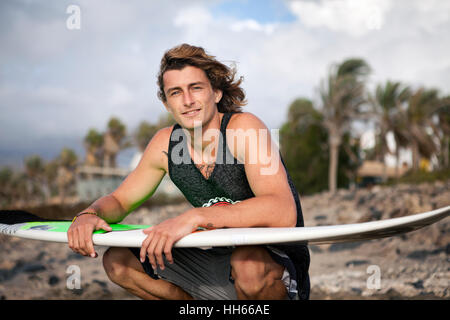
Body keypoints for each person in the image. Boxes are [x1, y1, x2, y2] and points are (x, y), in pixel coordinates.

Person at [67, 44, 310, 300]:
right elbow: (119, 200)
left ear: (215, 92)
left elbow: (283, 211)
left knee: (247, 264)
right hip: (218, 261)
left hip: (274, 265)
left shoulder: (246, 129)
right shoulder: (164, 144)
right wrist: (88, 214)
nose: (187, 100)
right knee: (118, 261)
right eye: (175, 92)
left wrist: (197, 217)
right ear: (166, 103)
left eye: (196, 88)